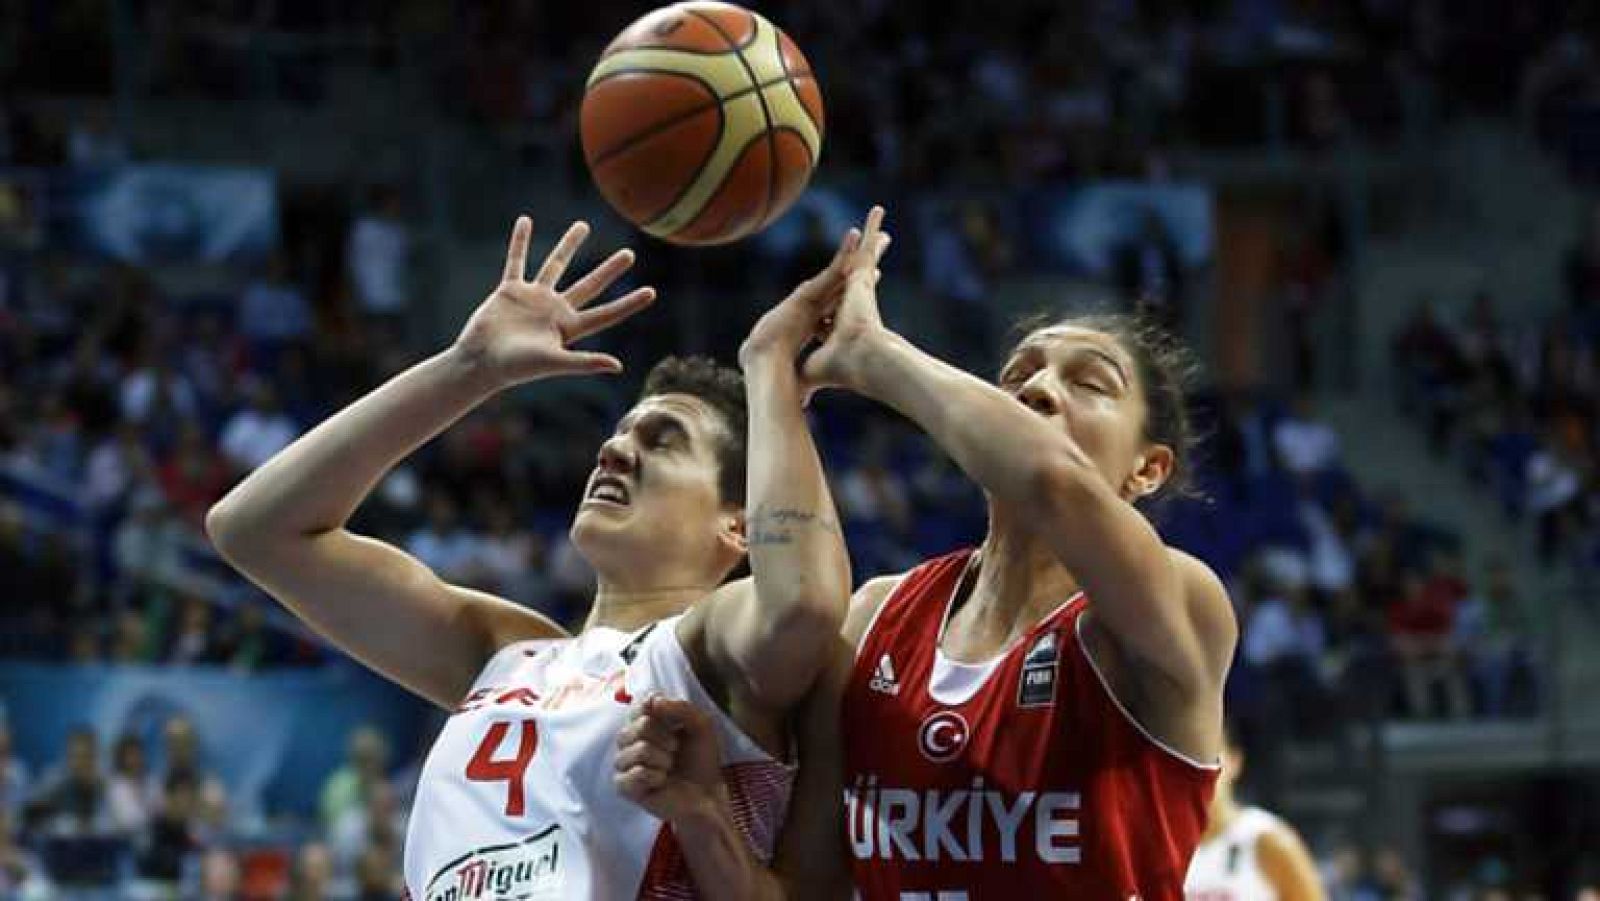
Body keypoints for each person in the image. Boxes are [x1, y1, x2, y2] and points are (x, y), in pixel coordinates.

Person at [207, 213, 883, 898]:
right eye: (620, 433)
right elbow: (254, 530)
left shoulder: (708, 646)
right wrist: (466, 370)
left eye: (663, 440)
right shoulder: (506, 649)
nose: (614, 450)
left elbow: (804, 602)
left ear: (738, 527)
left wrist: (769, 367)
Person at [617, 206, 1237, 897]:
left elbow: (1051, 482)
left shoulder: (1177, 605)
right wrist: (702, 813)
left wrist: (872, 353)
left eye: (1089, 383)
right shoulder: (874, 618)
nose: (1037, 390)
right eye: (1018, 376)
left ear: (1148, 469)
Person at [1184, 724, 1324, 899]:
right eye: (1188, 760)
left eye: (1208, 757)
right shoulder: (1160, 850)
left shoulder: (1268, 840)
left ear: (1235, 761)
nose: (1199, 771)